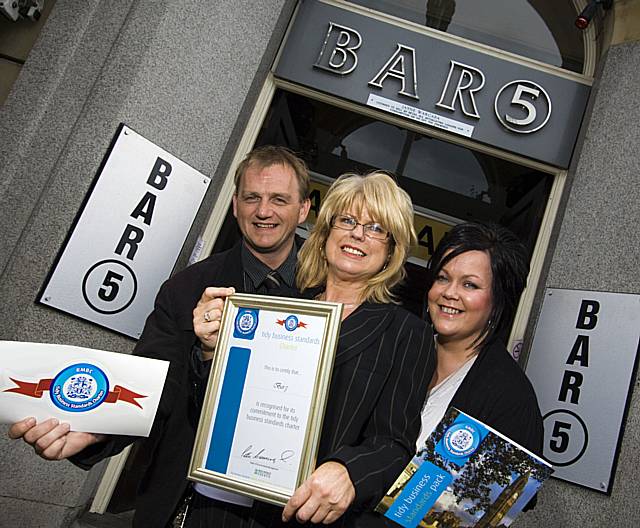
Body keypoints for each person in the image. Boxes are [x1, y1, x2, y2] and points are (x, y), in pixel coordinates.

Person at [7, 145, 313, 527]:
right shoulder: (185, 289)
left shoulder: (327, 296)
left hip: (284, 511)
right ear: (235, 205)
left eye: (279, 199)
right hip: (184, 502)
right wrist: (94, 431)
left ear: (303, 209)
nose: (263, 211)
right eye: (252, 197)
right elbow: (152, 386)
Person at [186, 172, 435, 527]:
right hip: (224, 510)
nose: (358, 234)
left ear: (391, 251)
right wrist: (211, 352)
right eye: (347, 220)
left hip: (308, 517)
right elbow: (212, 412)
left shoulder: (407, 334)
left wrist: (349, 471)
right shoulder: (273, 306)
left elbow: (393, 442)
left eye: (377, 228)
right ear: (326, 234)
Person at [416, 221, 543, 458]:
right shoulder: (400, 352)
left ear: (499, 300)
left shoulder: (511, 399)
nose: (450, 293)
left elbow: (504, 493)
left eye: (469, 285)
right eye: (442, 278)